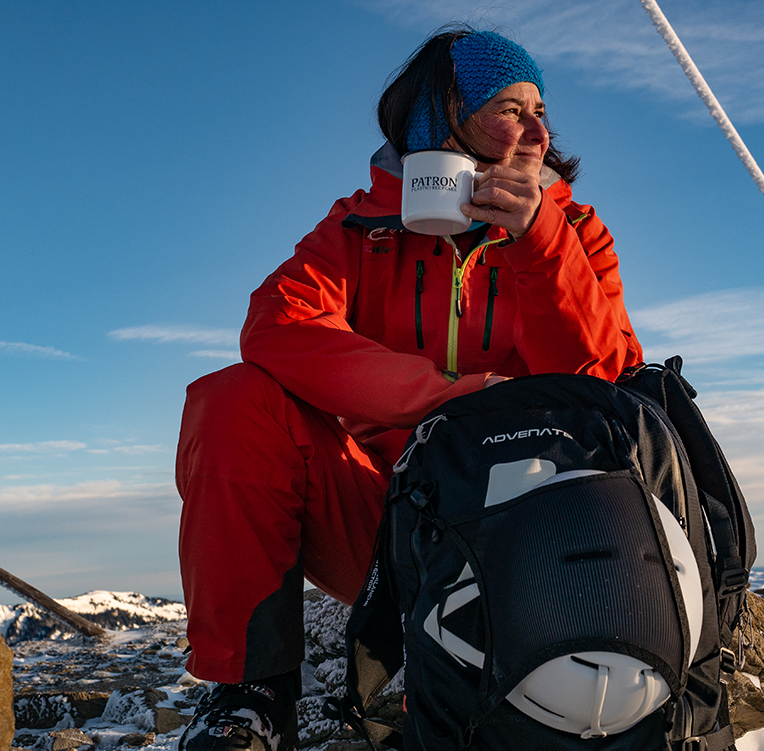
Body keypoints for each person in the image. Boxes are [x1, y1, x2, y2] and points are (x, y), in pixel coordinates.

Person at [175, 25, 644, 751]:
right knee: (235, 400)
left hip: (532, 532)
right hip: (387, 528)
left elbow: (599, 386)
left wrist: (538, 239)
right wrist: (446, 398)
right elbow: (275, 326)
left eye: (541, 110)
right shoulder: (360, 229)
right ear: (440, 116)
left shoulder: (577, 232)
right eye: (511, 107)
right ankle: (250, 696)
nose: (538, 129)